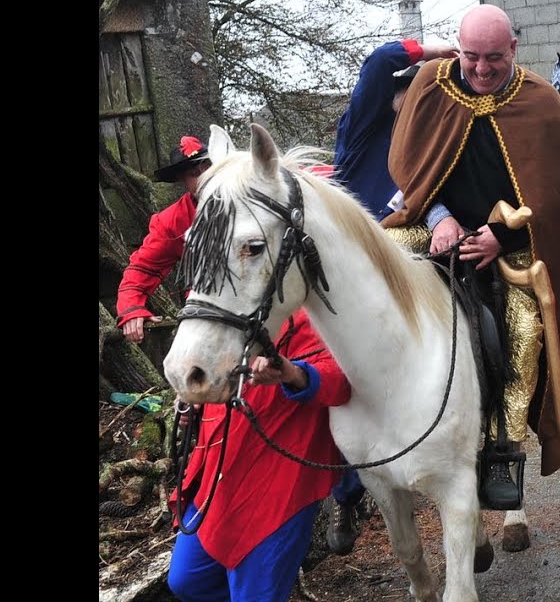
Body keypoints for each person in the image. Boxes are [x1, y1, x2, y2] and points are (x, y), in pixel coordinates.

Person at [381, 4, 560, 511]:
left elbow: (554, 197)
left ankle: (504, 444)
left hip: (516, 245)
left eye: (494, 58)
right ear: (458, 49)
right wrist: (439, 219)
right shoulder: (432, 85)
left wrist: (500, 235)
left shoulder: (541, 102)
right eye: (471, 56)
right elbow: (407, 166)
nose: (481, 69)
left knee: (525, 331)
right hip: (437, 227)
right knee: (377, 263)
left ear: (514, 51)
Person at [327, 37, 458, 553]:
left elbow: (439, 196)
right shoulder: (361, 130)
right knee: (330, 365)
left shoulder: (433, 138)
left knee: (480, 314)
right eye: (412, 91)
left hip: (421, 260)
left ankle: (487, 443)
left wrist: (447, 221)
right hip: (354, 267)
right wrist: (441, 50)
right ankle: (346, 492)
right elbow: (382, 60)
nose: (417, 100)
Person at [167, 310, 352, 602]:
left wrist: (293, 373)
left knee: (256, 595)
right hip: (219, 472)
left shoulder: (315, 316)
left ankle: (349, 496)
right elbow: (207, 367)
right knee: (187, 580)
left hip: (281, 480)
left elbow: (342, 381)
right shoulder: (222, 310)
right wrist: (194, 399)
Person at [332, 39, 455, 221]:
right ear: (393, 96)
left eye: (424, 100)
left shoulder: (432, 151)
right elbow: (381, 60)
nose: (416, 106)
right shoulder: (362, 133)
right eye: (411, 95)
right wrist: (432, 51)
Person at [116, 136, 212, 344]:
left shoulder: (253, 199)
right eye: (194, 174)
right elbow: (142, 268)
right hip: (208, 312)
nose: (206, 178)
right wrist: (132, 309)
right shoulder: (172, 221)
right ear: (182, 181)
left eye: (209, 168)